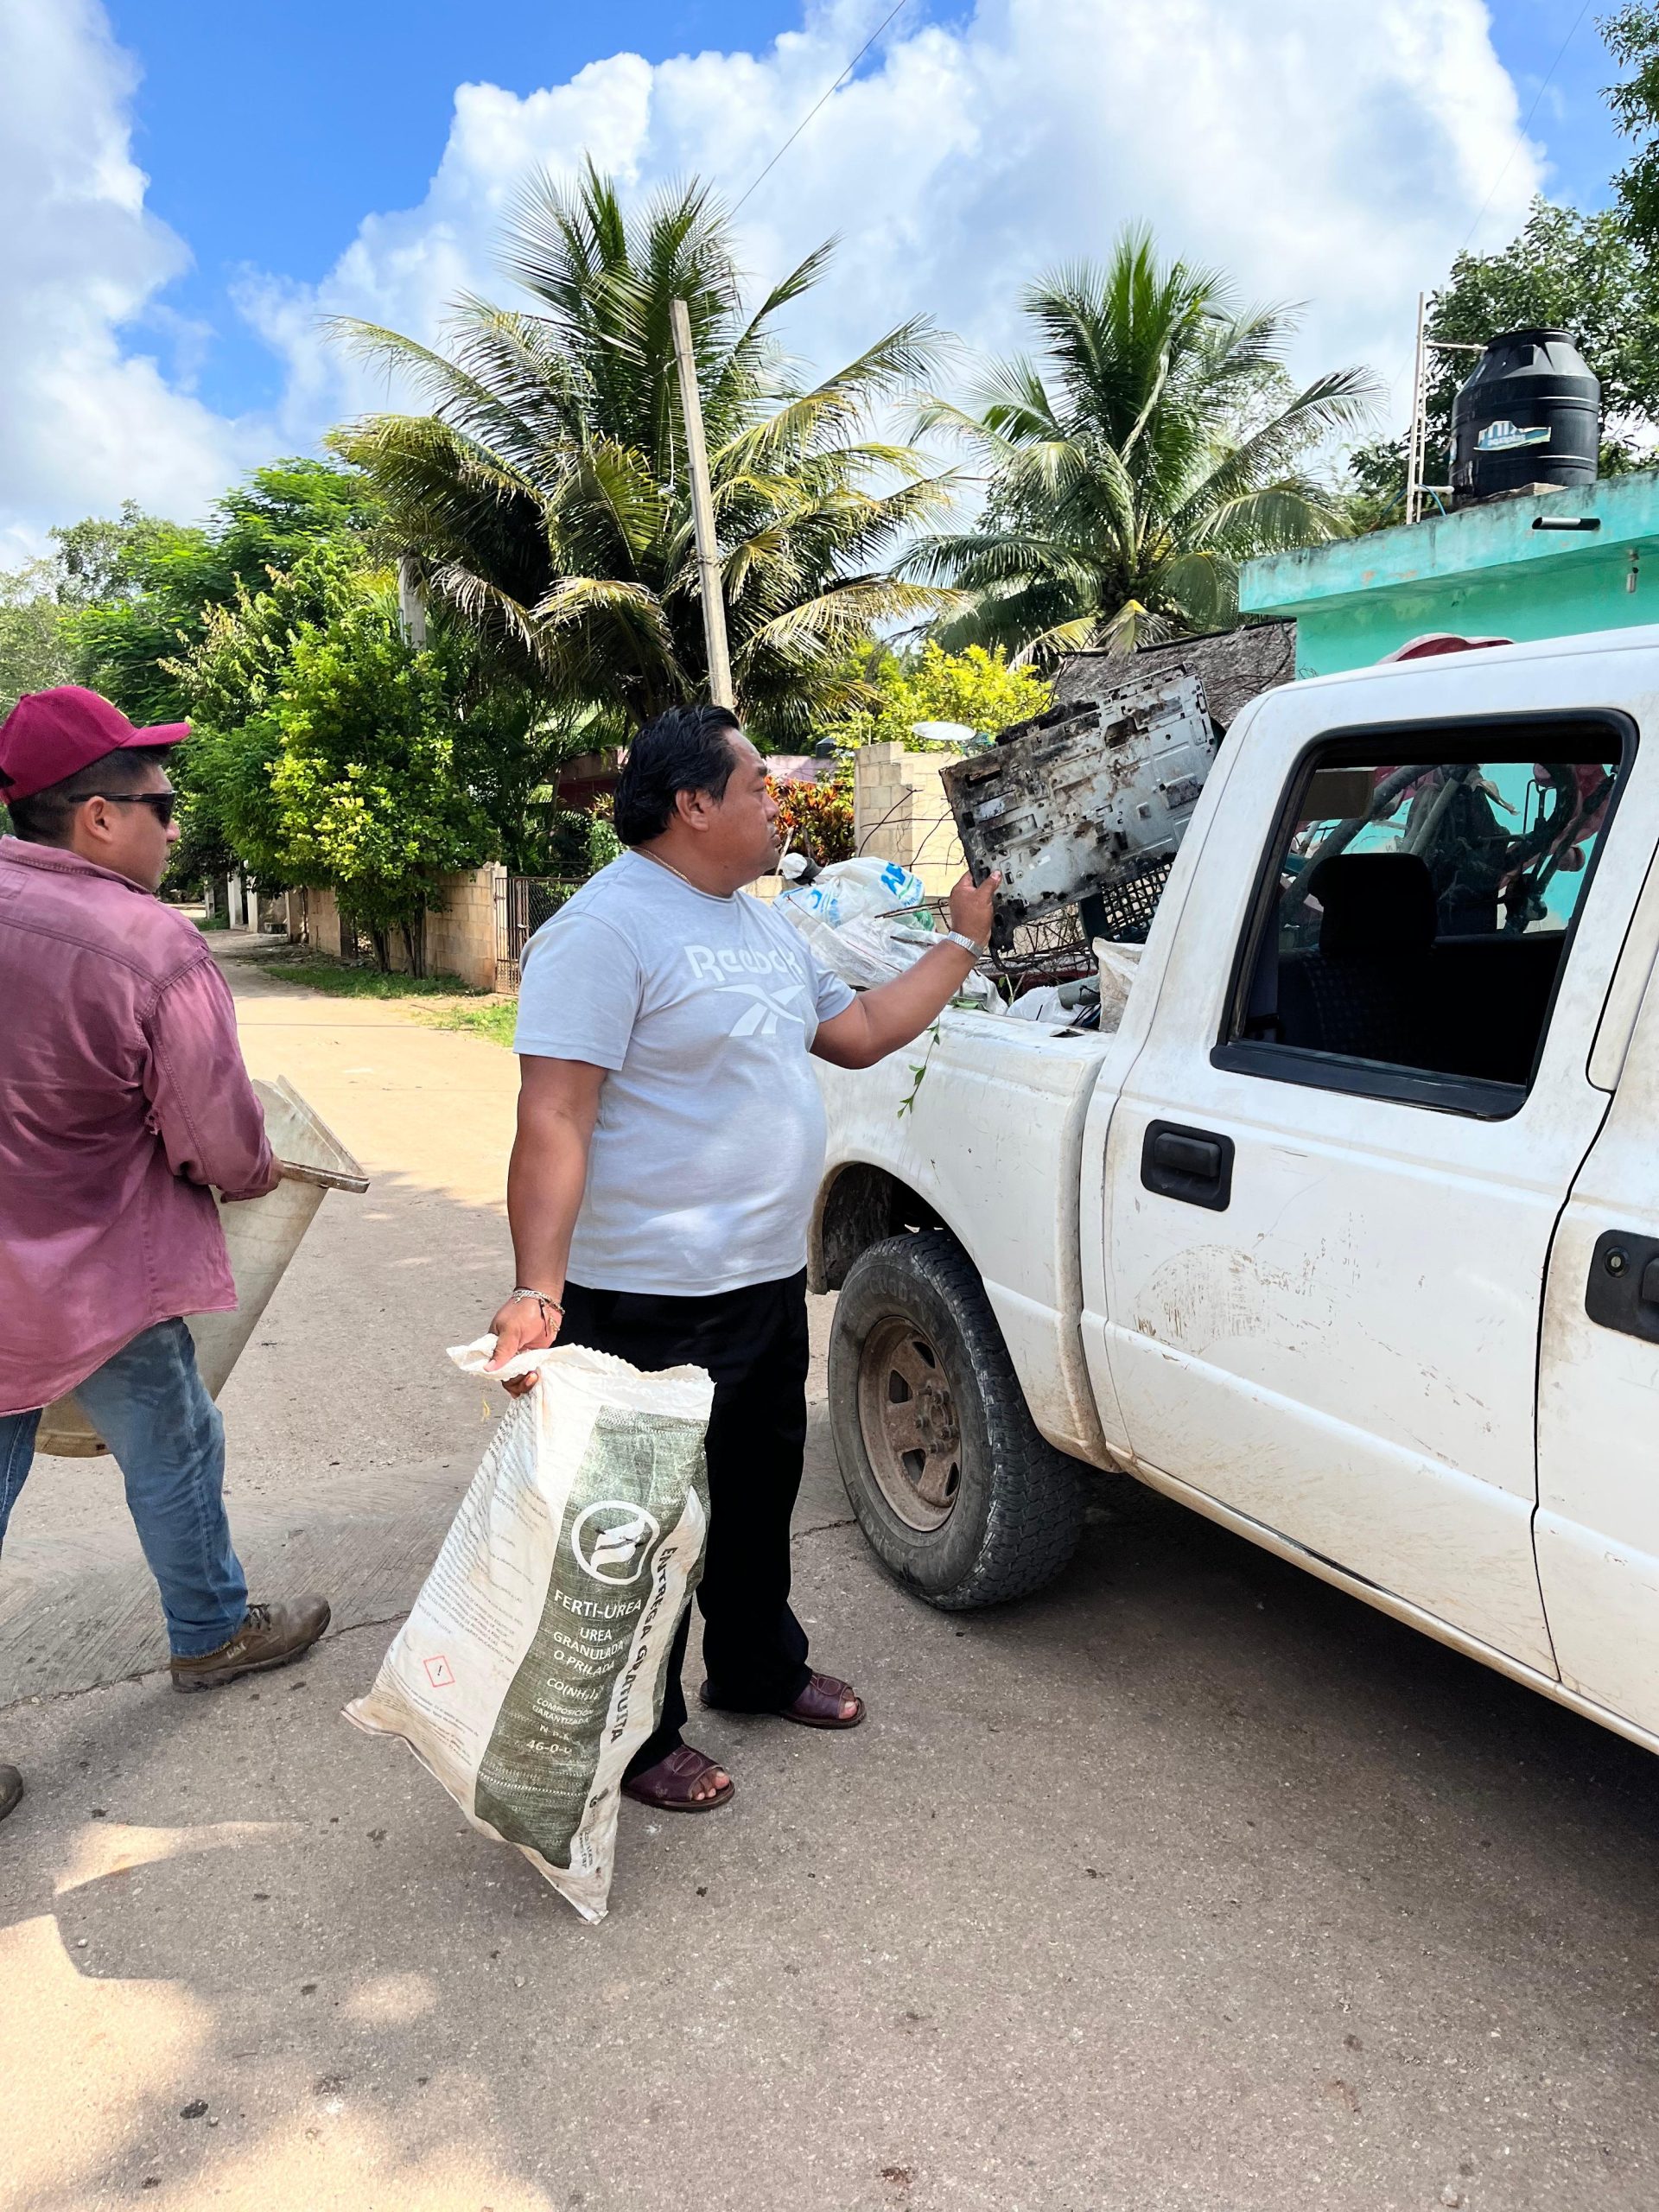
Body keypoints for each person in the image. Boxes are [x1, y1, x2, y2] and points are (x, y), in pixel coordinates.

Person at [484, 703, 999, 1811]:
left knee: (760, 1495)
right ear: (693, 804)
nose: (777, 804)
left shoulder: (762, 927)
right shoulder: (602, 929)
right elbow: (554, 1116)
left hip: (760, 1280)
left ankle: (757, 1668)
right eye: (758, 785)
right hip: (643, 1293)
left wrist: (960, 942)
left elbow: (858, 1034)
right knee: (645, 1524)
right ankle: (639, 1734)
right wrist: (538, 1287)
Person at [0, 686, 331, 1828]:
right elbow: (222, 1146)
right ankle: (212, 1632)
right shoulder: (149, 944)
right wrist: (253, 1172)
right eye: (162, 803)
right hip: (94, 1276)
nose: (176, 827)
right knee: (177, 1444)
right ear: (96, 817)